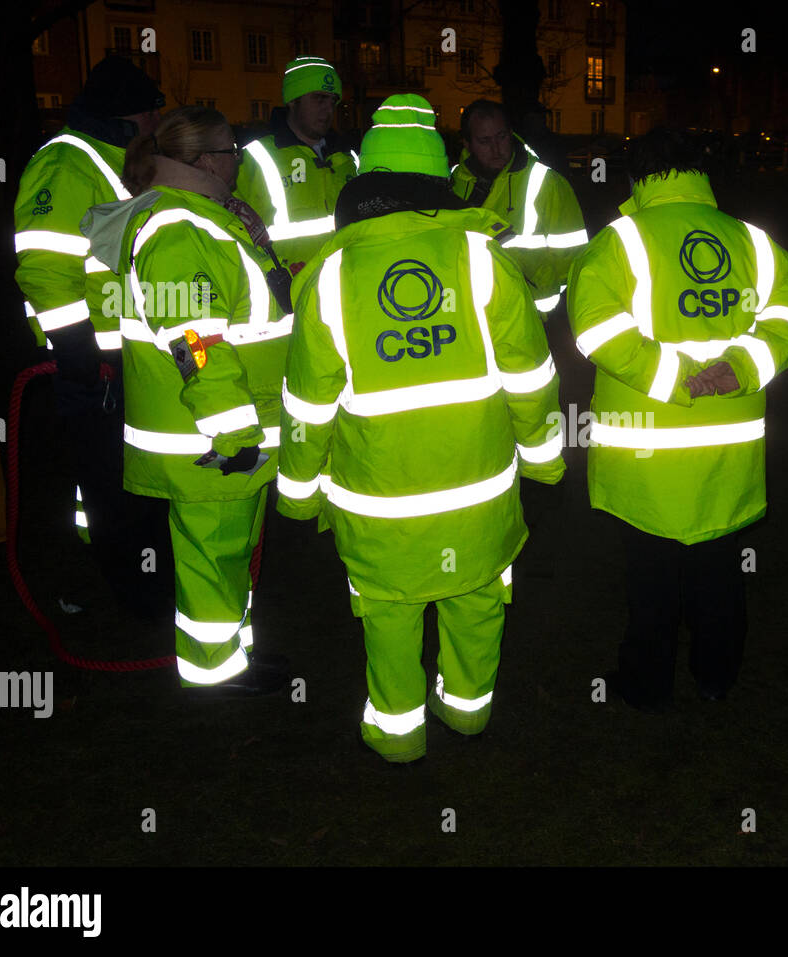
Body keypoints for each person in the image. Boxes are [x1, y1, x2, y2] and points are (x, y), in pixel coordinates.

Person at [276, 94, 564, 763]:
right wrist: (546, 462)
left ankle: (398, 735)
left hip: (380, 506)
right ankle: (467, 713)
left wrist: (295, 493)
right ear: (437, 181)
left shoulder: (331, 277)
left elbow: (307, 404)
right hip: (478, 494)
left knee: (388, 614)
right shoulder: (484, 259)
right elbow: (532, 375)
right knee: (476, 602)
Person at [566, 128, 788, 711]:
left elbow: (597, 329)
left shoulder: (618, 241)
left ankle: (646, 684)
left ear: (637, 177)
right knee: (719, 572)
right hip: (729, 447)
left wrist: (675, 377)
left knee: (650, 578)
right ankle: (716, 676)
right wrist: (738, 369)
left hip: (646, 452)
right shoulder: (754, 241)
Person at [80, 106, 295, 694]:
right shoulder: (180, 230)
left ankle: (232, 657)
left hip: (228, 429)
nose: (239, 161)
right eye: (232, 151)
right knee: (213, 556)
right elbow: (195, 341)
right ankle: (215, 675)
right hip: (212, 437)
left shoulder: (201, 219)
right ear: (205, 160)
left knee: (228, 554)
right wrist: (233, 433)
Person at [13, 55, 172, 615]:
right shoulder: (67, 164)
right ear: (131, 116)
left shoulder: (118, 160)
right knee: (110, 485)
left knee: (132, 481)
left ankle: (135, 579)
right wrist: (79, 350)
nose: (160, 120)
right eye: (153, 110)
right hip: (98, 367)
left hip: (127, 361)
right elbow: (43, 268)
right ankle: (130, 591)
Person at [450, 99, 587, 314]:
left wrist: (549, 305)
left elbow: (574, 258)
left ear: (511, 133)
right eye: (484, 141)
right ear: (467, 144)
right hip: (468, 314)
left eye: (502, 137)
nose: (496, 149)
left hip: (531, 315)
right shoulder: (452, 183)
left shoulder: (547, 182)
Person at [234, 56, 357, 278]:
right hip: (286, 291)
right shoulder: (254, 158)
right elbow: (234, 230)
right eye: (319, 98)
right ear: (293, 100)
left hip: (345, 284)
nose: (328, 109)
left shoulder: (349, 159)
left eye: (333, 101)